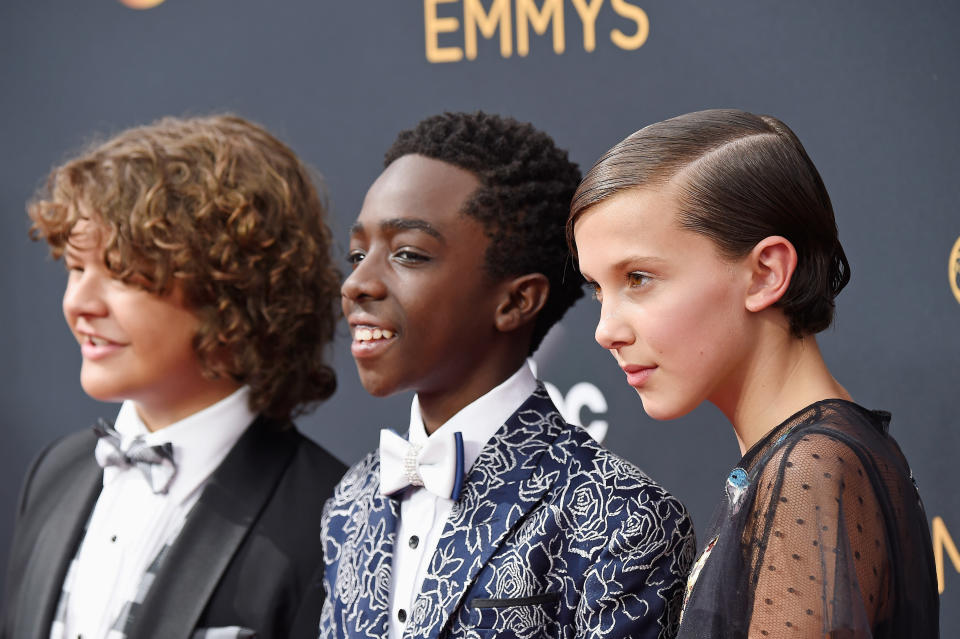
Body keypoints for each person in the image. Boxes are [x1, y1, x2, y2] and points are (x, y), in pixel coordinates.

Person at [319, 111, 695, 639]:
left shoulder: (621, 518)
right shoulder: (350, 502)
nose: (356, 283)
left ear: (517, 300)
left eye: (407, 254)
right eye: (358, 253)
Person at [568, 108, 939, 638]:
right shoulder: (803, 459)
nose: (606, 330)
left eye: (640, 278)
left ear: (766, 273)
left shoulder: (811, 469)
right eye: (598, 289)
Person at [2, 114, 347, 639]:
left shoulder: (333, 520)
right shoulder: (56, 472)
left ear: (231, 295)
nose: (79, 303)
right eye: (75, 268)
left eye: (120, 273)